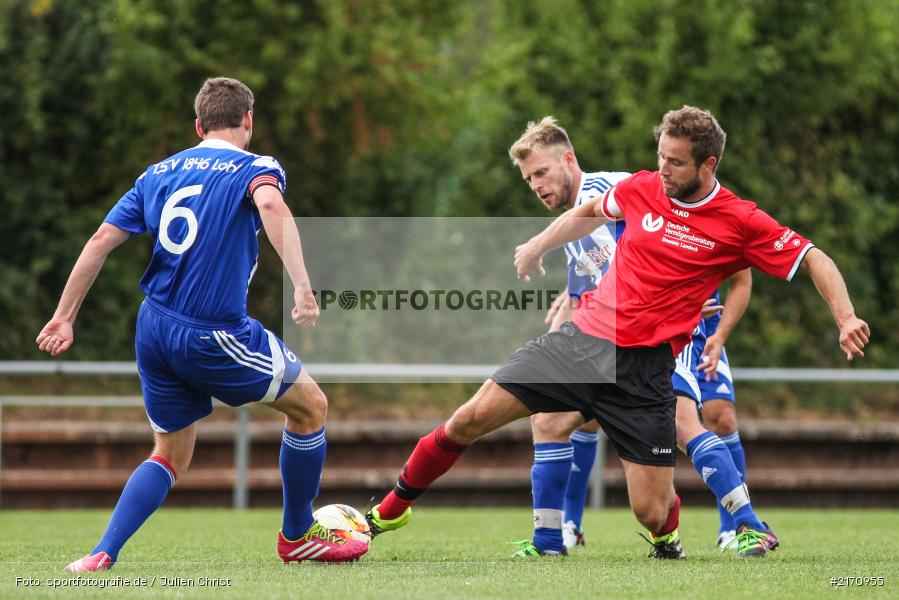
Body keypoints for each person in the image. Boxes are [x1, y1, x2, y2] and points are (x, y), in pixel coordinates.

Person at [363, 105, 868, 560]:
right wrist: (538, 245)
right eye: (660, 156)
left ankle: (674, 533)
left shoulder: (739, 219)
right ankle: (387, 513)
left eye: (675, 162)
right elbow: (587, 213)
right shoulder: (643, 187)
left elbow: (813, 258)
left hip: (645, 372)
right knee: (470, 418)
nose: (662, 169)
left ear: (708, 165)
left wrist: (845, 318)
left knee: (651, 510)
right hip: (581, 343)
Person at [36, 77, 369, 571]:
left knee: (170, 453)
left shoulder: (158, 173)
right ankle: (299, 535)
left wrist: (64, 317)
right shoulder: (256, 167)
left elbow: (101, 239)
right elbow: (270, 204)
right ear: (248, 120)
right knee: (310, 407)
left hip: (153, 328)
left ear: (198, 125)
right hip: (211, 332)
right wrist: (302, 285)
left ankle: (101, 553)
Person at [507, 117, 768, 558]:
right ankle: (561, 531)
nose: (536, 185)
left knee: (696, 421)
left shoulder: (607, 190)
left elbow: (674, 223)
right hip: (619, 337)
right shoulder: (573, 227)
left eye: (541, 173)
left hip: (662, 332)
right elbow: (586, 291)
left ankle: (745, 526)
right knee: (556, 418)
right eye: (529, 178)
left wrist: (690, 293)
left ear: (568, 160)